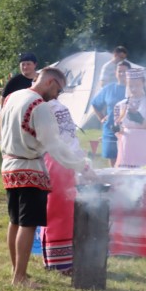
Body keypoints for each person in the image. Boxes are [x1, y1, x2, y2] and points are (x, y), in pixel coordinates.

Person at [0, 67, 91, 288]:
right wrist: (81, 165)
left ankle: (16, 271)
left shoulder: (12, 97)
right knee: (27, 223)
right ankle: (20, 277)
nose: (57, 96)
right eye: (58, 90)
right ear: (50, 82)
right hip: (30, 168)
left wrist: (5, 153)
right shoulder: (39, 105)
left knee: (15, 221)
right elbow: (54, 144)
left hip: (9, 165)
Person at [39, 96, 85, 275]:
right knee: (61, 213)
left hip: (46, 161)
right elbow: (69, 141)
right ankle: (62, 264)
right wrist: (82, 164)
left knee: (50, 212)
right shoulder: (58, 109)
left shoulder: (37, 106)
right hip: (61, 163)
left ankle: (52, 260)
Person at [113, 68, 146, 168]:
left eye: (137, 85)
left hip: (144, 145)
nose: (133, 89)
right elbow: (119, 130)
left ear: (143, 84)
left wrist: (141, 121)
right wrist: (117, 129)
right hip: (127, 145)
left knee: (145, 172)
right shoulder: (121, 105)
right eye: (131, 86)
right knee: (126, 173)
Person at [91, 60, 133, 166]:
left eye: (125, 71)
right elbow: (95, 104)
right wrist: (101, 118)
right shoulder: (108, 89)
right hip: (111, 131)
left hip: (130, 131)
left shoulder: (135, 87)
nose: (122, 74)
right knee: (114, 164)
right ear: (115, 73)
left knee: (130, 163)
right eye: (120, 71)